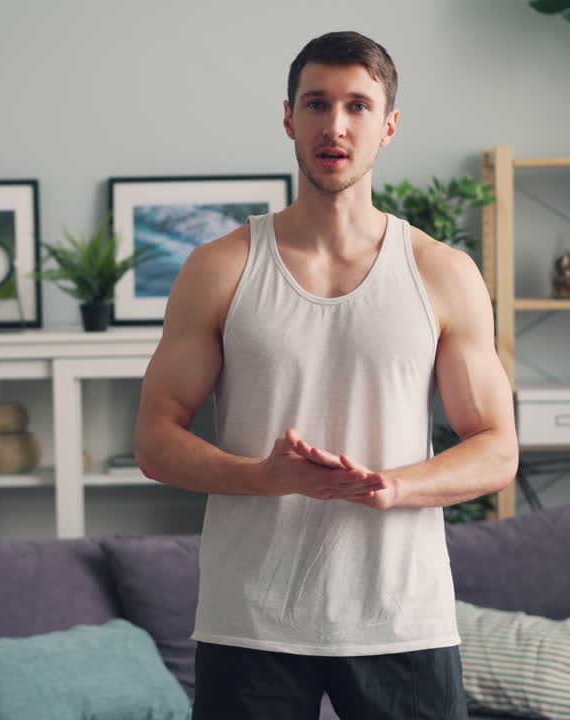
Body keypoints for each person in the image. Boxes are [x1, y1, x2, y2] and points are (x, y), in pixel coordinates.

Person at [133, 30, 518, 720]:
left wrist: (395, 487)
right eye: (316, 104)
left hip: (401, 617)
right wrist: (263, 476)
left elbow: (496, 447)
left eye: (357, 106)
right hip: (249, 620)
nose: (334, 125)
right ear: (288, 118)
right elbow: (156, 440)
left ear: (388, 126)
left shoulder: (442, 273)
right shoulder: (220, 269)